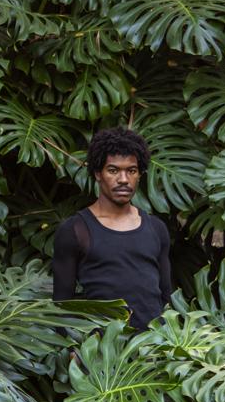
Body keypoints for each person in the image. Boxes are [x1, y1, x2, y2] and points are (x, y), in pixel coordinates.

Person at [52, 127, 172, 329]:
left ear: (139, 175)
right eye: (113, 170)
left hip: (155, 349)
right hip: (103, 352)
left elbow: (168, 295)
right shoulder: (76, 230)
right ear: (98, 174)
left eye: (131, 171)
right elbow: (62, 304)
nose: (123, 179)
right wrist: (74, 351)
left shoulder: (156, 228)